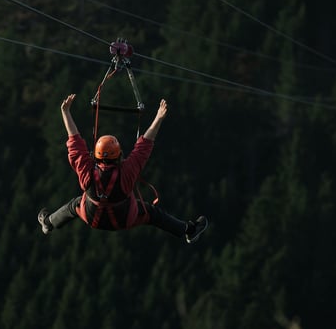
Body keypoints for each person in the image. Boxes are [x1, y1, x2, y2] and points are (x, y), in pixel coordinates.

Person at [37, 93, 208, 243]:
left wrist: (65, 112)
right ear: (119, 155)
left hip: (92, 217)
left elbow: (74, 142)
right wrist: (159, 117)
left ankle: (49, 223)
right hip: (124, 218)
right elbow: (144, 146)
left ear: (95, 155)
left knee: (74, 206)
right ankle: (189, 231)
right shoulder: (126, 172)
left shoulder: (86, 170)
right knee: (153, 214)